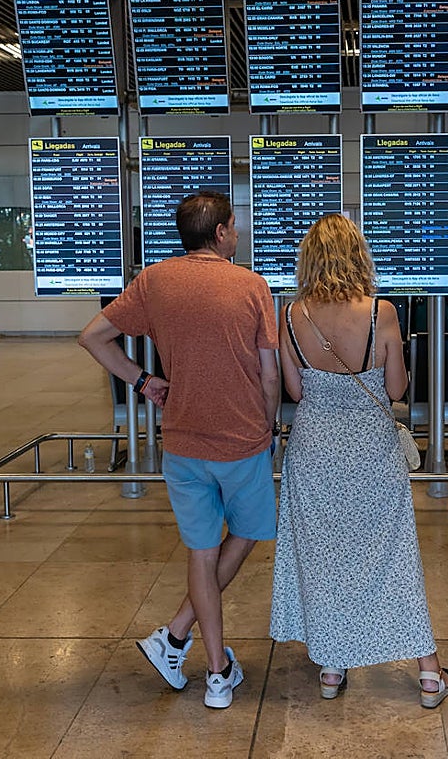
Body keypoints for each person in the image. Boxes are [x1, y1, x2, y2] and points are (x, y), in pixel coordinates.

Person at [78, 191, 279, 710]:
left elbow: (93, 337)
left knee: (201, 550)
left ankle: (200, 660)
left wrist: (143, 381)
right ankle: (181, 642)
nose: (238, 234)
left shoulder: (154, 281)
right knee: (252, 531)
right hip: (242, 440)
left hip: (183, 441)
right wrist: (271, 425)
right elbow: (270, 372)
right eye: (234, 226)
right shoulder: (252, 286)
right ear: (219, 233)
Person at [269, 214, 448, 708]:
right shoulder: (382, 313)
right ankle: (429, 673)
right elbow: (395, 390)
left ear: (308, 259)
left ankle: (332, 668)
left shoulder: (291, 315)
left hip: (314, 450)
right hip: (372, 451)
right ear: (359, 256)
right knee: (393, 557)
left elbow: (294, 390)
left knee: (325, 559)